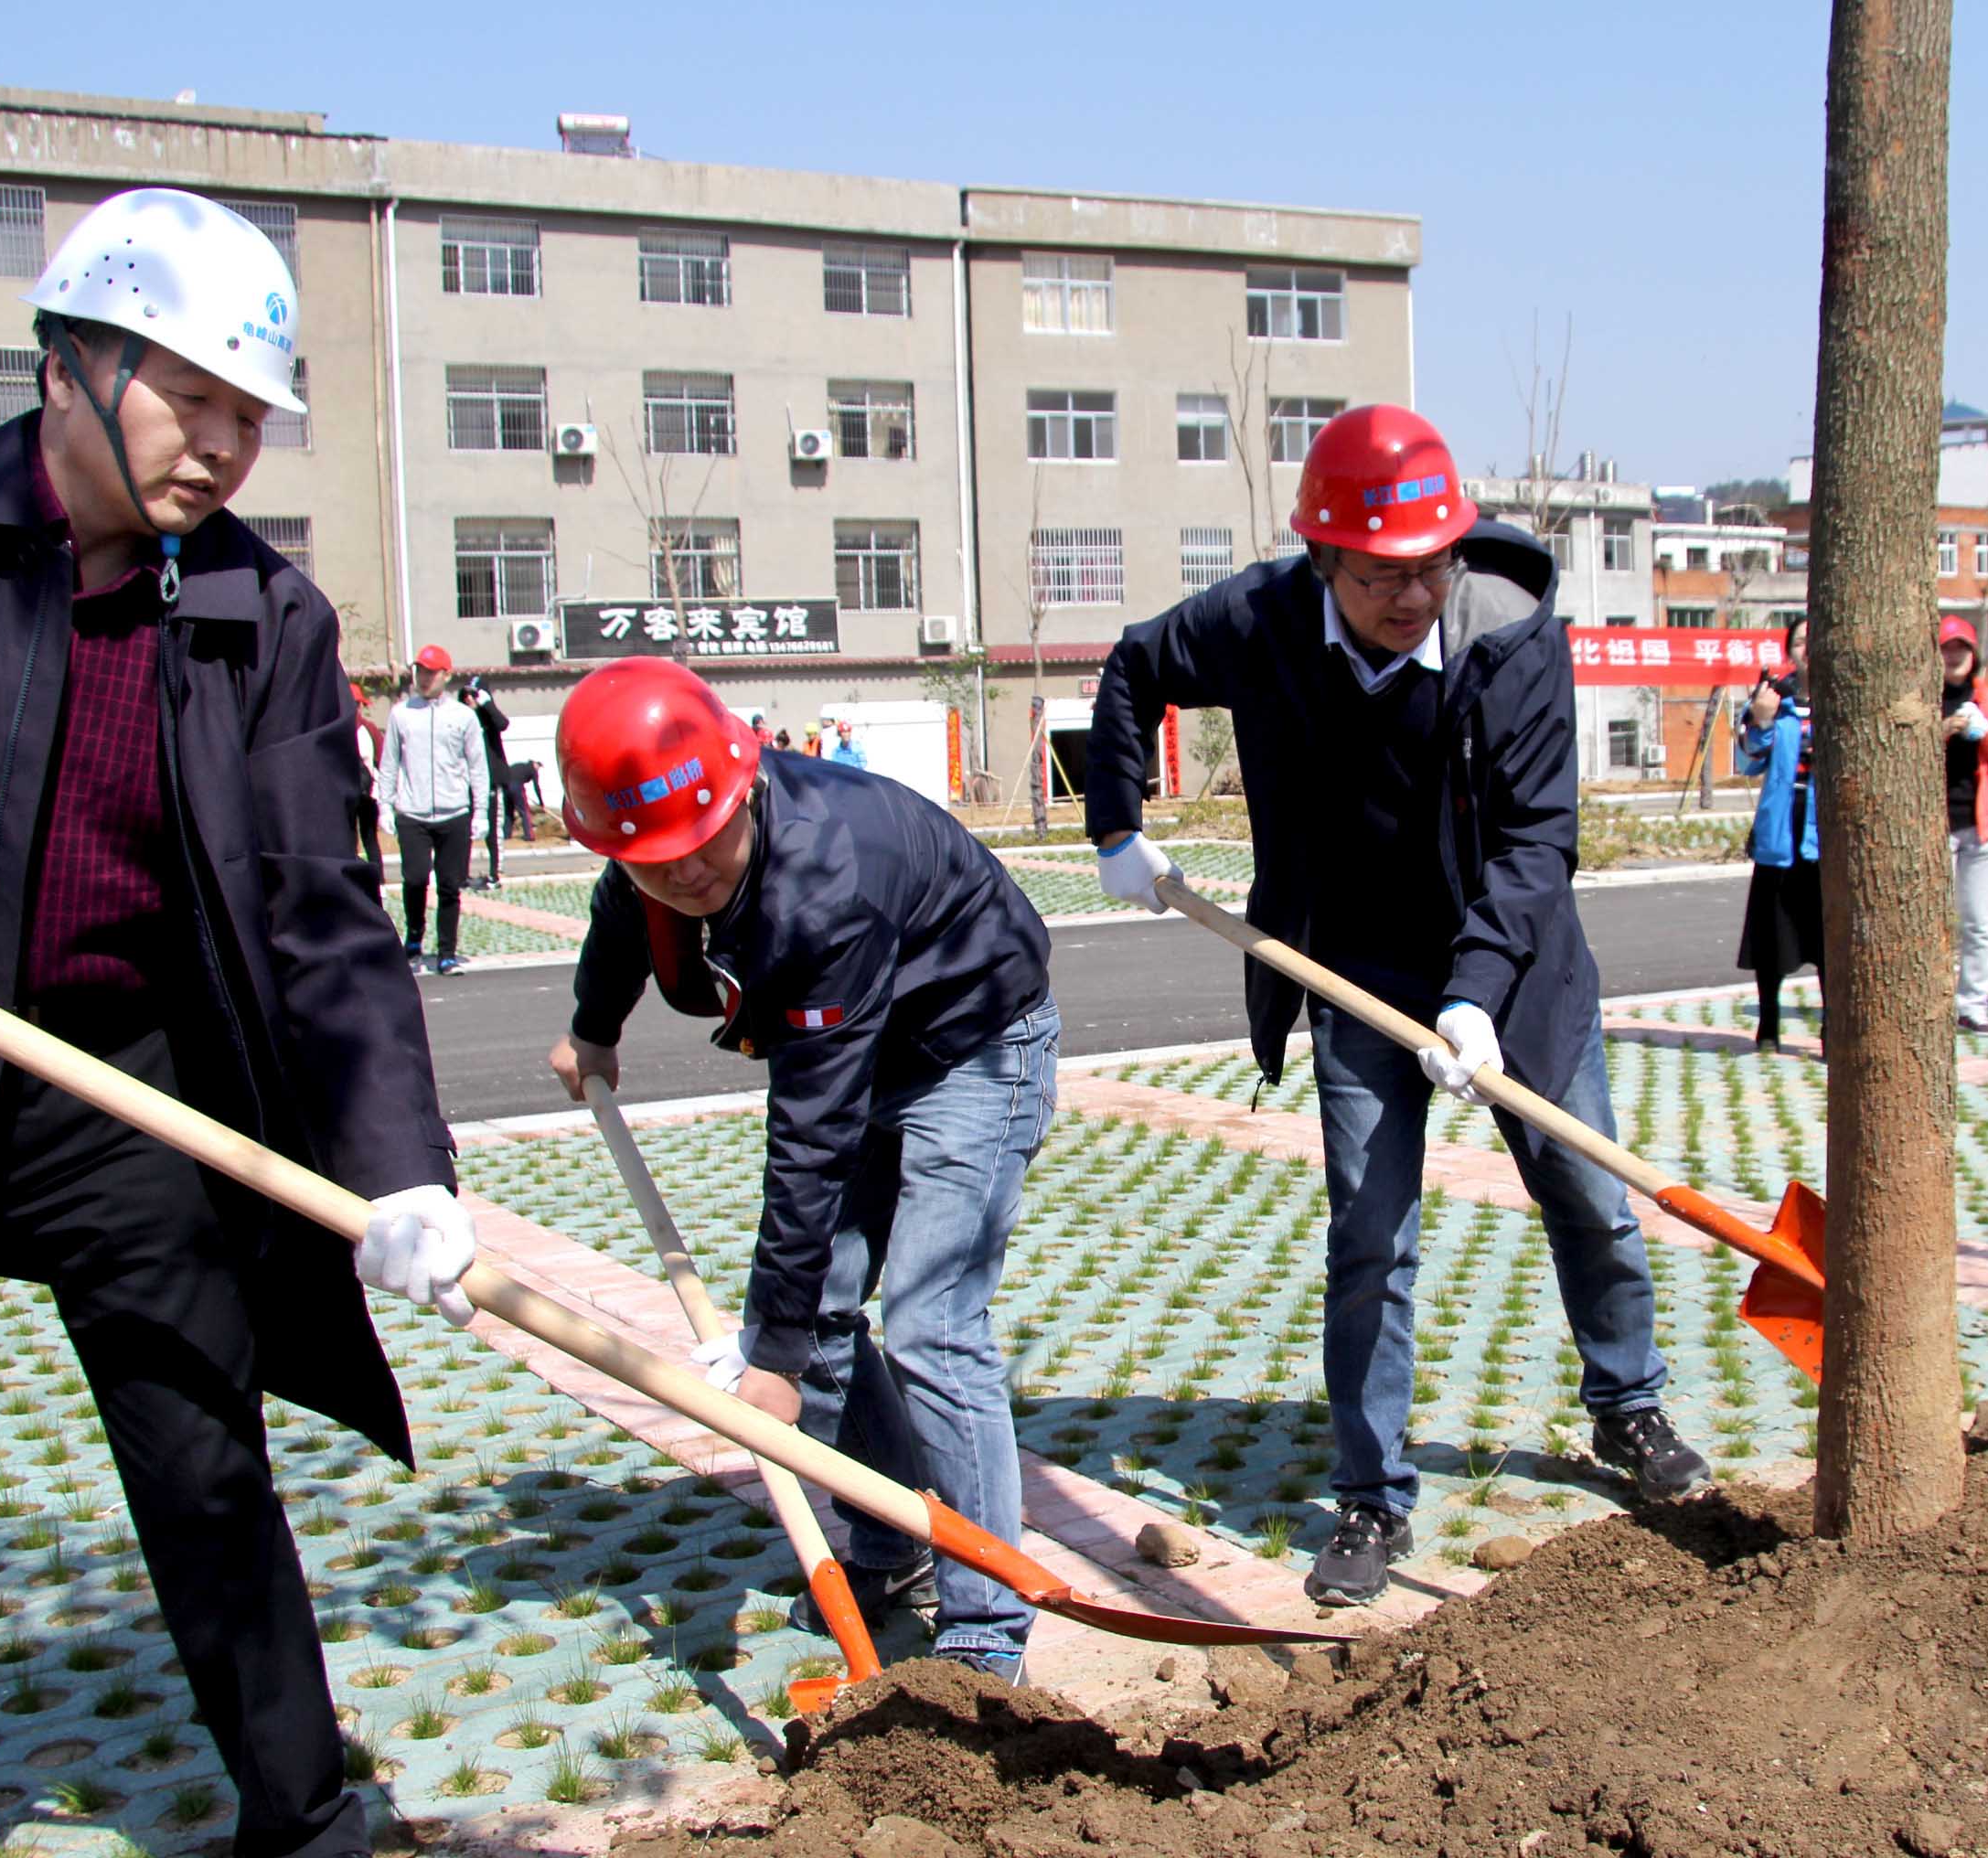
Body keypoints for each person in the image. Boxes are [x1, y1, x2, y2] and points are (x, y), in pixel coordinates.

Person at [0, 187, 477, 1858]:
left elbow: (325, 917)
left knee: (202, 1457)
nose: (226, 449)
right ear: (73, 364)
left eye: (253, 415)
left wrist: (399, 1166)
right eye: (197, 399)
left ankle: (307, 1820)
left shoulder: (262, 618)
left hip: (118, 1093)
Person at [1083, 404, 1711, 1608]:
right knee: (1370, 1241)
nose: (1411, 595)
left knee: (1589, 1191)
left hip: (1516, 976)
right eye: (1382, 576)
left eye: (1431, 566)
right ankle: (1373, 1495)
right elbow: (1133, 667)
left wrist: (1477, 999)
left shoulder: (1513, 636)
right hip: (1355, 977)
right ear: (1324, 560)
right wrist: (1117, 822)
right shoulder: (1259, 623)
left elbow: (1536, 844)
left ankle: (1628, 1405)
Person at [545, 656, 1058, 1682]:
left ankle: (987, 1623)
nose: (686, 872)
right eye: (657, 859)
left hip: (973, 1041)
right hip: (866, 1047)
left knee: (929, 1318)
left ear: (744, 786)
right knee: (818, 1311)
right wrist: (593, 1029)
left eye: (706, 844)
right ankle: (891, 1538)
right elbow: (621, 907)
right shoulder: (655, 841)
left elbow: (813, 1137)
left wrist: (767, 1363)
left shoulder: (826, 881)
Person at [1735, 624, 1822, 1052]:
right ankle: (1768, 1022)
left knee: (1828, 936)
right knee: (1771, 936)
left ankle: (1832, 1027)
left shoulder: (1848, 697)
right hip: (1780, 831)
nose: (1810, 646)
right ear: (1791, 651)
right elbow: (1747, 761)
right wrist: (1763, 718)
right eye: (1801, 641)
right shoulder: (1774, 697)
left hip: (1828, 835)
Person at [378, 644, 488, 974]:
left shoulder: (464, 717)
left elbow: (477, 766)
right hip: (412, 812)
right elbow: (389, 763)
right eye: (421, 671)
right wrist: (385, 804)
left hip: (454, 811)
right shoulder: (401, 714)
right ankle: (414, 936)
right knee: (414, 879)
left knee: (449, 885)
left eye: (432, 672)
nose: (425, 678)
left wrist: (481, 811)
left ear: (446, 675)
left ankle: (446, 952)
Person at [1939, 616, 1988, 1035]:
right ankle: (1932, 1000)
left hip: (1981, 824)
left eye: (1961, 649)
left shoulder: (1987, 698)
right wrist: (1944, 731)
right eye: (1947, 648)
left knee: (1980, 921)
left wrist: (1982, 732)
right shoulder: (1925, 698)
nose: (1954, 656)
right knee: (1933, 921)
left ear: (1974, 655)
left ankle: (1973, 1003)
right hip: (1938, 824)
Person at [462, 674, 517, 891]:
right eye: (467, 695)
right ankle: (462, 875)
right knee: (464, 830)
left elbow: (503, 724)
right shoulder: (462, 719)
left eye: (474, 695)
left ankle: (495, 874)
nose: (469, 699)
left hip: (492, 782)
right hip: (467, 783)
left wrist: (486, 704)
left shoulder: (490, 719)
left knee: (494, 830)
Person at [351, 678, 387, 889]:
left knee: (352, 838)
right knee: (370, 838)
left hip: (349, 792)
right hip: (369, 792)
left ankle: (354, 878)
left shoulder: (338, 728)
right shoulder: (370, 729)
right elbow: (382, 761)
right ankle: (378, 879)